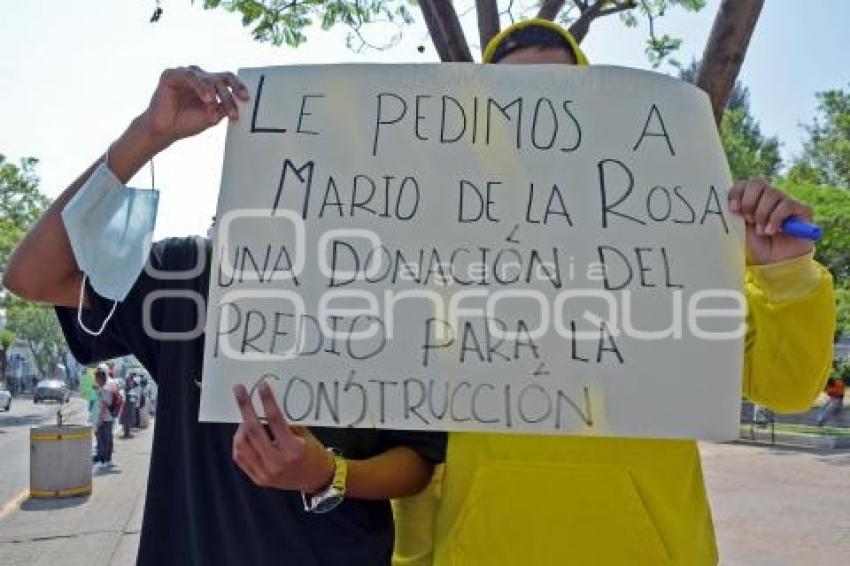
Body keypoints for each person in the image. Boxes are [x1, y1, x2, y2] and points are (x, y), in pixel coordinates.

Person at [390, 19, 836, 566]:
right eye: (508, 100)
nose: (533, 117)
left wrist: (784, 272)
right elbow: (413, 441)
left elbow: (786, 390)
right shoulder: (436, 244)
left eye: (558, 95)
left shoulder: (674, 237)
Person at [3, 66, 446, 564]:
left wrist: (326, 474)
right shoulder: (185, 274)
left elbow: (417, 459)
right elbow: (31, 276)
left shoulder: (393, 290)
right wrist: (148, 134)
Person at [93, 367, 115, 469]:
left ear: (100, 379)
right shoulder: (101, 389)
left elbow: (104, 407)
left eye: (96, 378)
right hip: (104, 419)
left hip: (105, 420)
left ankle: (105, 461)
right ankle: (105, 460)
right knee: (104, 441)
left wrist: (99, 422)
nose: (95, 380)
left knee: (104, 441)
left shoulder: (105, 390)